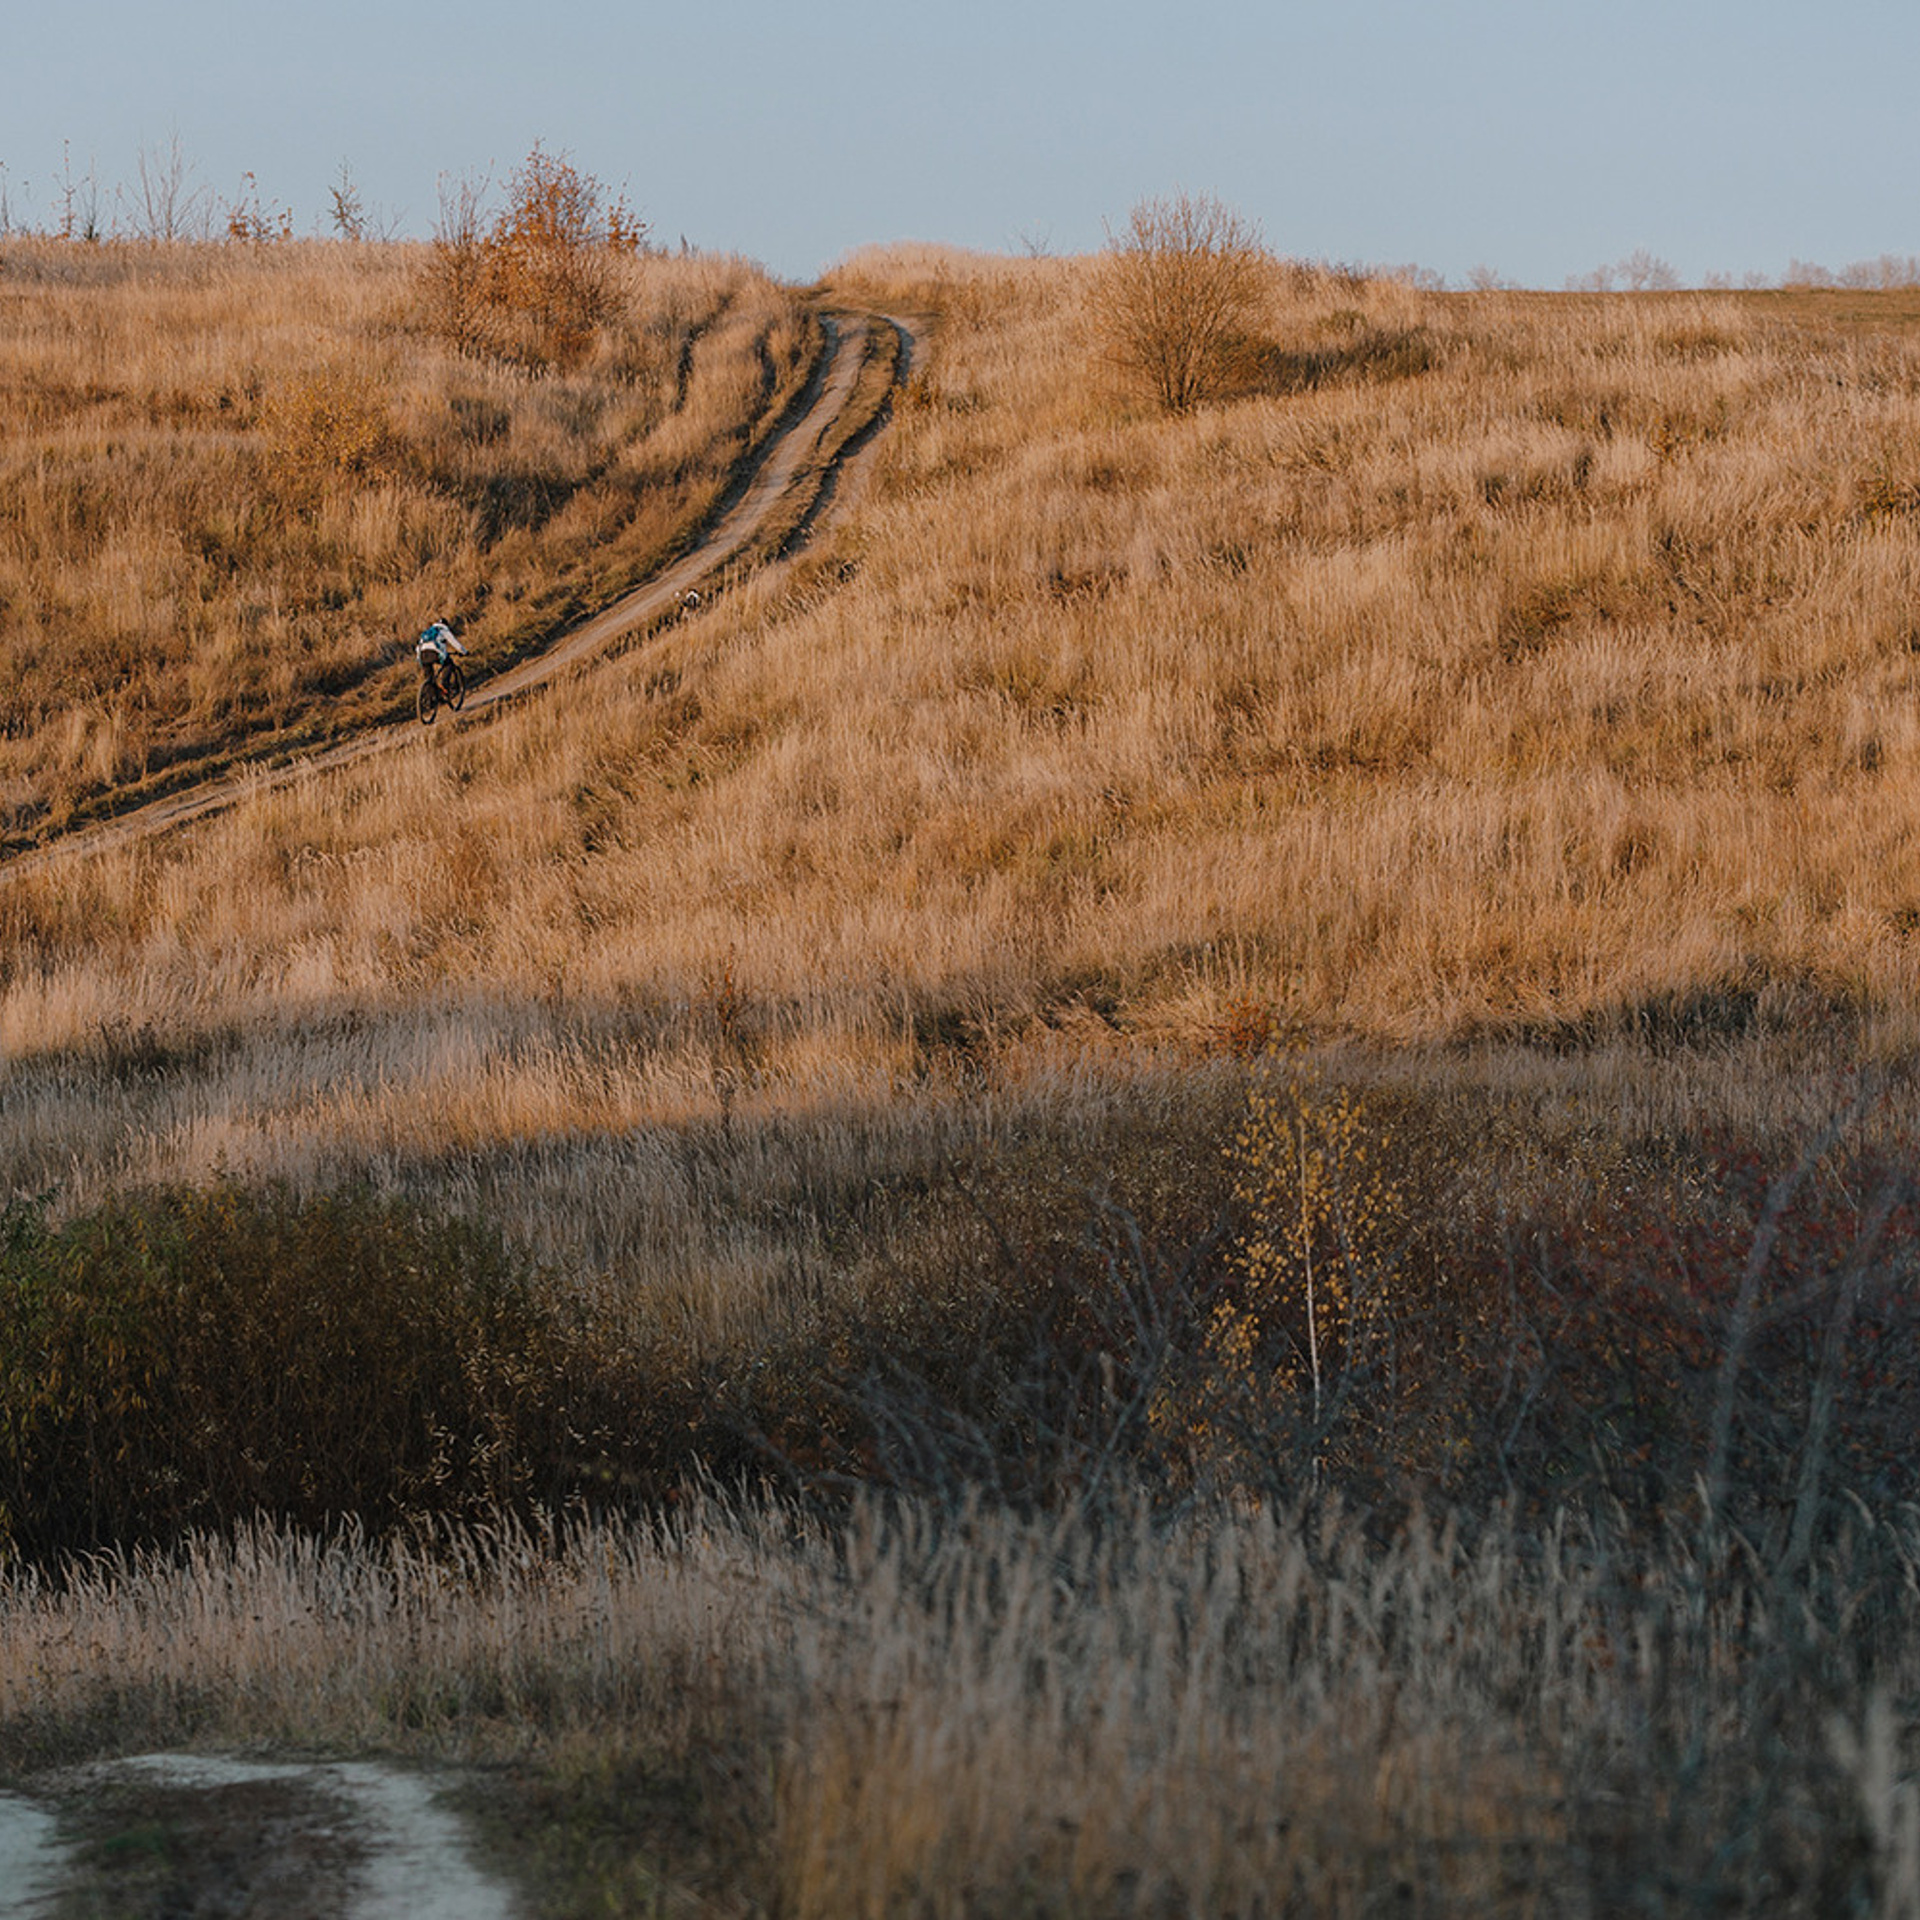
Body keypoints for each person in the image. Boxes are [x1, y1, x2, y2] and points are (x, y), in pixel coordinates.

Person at [415, 618, 468, 690]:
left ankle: (430, 695)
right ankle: (444, 684)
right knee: (448, 664)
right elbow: (455, 643)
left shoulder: (428, 631)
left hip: (422, 654)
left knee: (429, 678)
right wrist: (464, 652)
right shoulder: (444, 630)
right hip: (434, 653)